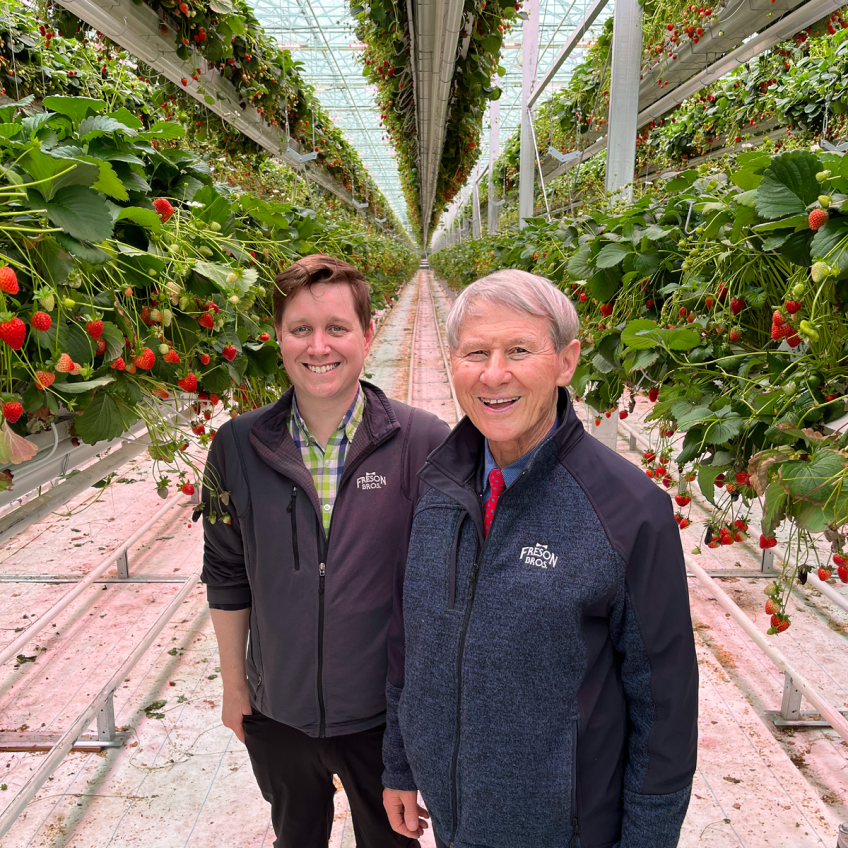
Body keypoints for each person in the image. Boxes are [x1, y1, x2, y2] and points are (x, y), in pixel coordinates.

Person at [382, 270, 699, 848]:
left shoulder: (628, 512)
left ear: (566, 361)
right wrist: (400, 766)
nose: (494, 373)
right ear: (454, 362)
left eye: (520, 350)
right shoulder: (436, 485)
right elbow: (412, 639)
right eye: (477, 352)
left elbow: (665, 703)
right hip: (452, 821)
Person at [201, 255, 450, 848]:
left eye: (337, 328)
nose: (319, 347)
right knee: (295, 836)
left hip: (383, 723)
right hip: (277, 714)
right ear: (279, 337)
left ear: (367, 335)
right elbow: (227, 571)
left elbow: (445, 597)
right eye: (300, 329)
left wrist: (426, 726)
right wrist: (237, 687)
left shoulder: (424, 443)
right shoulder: (237, 445)